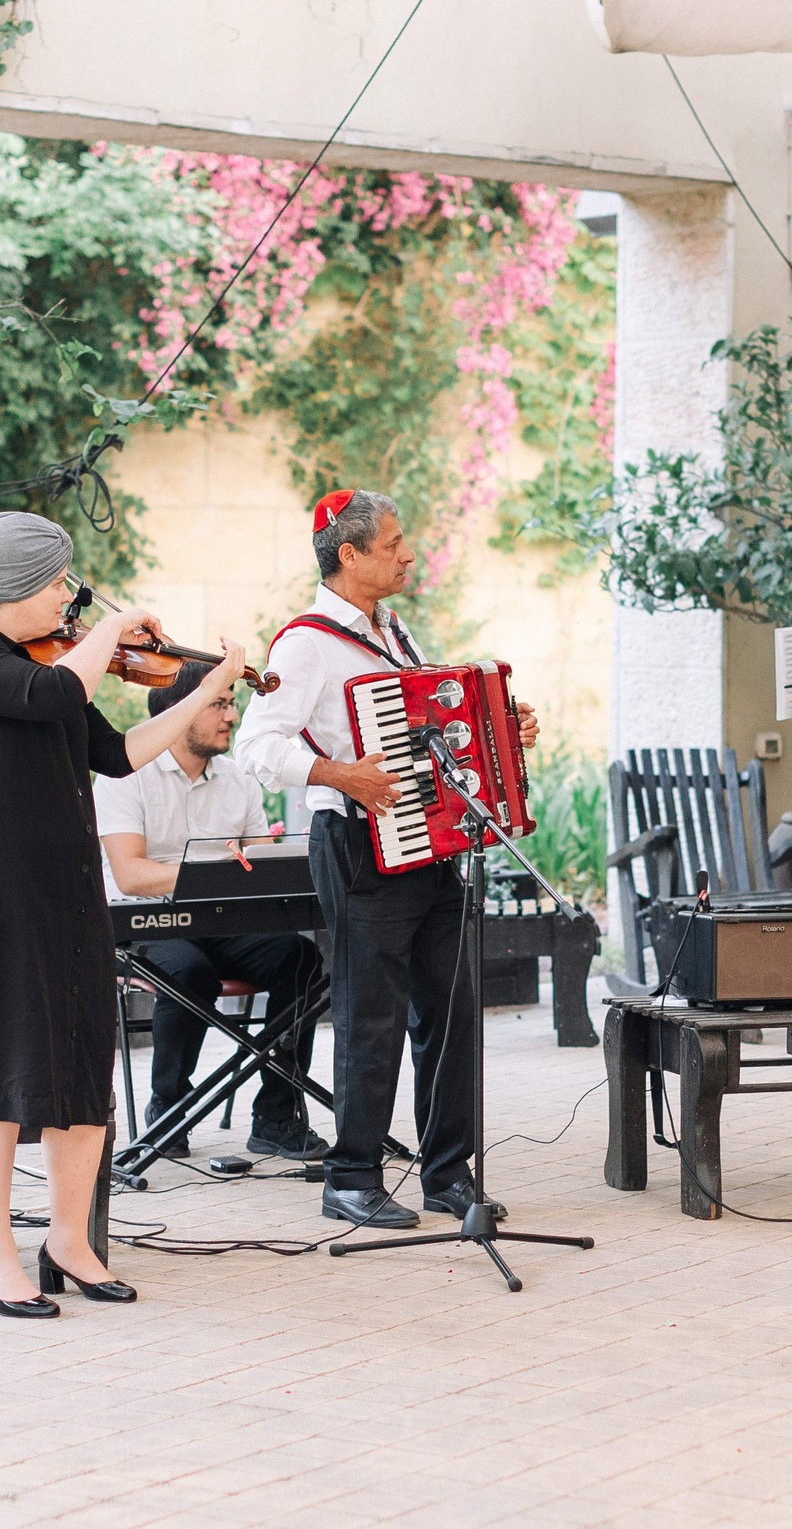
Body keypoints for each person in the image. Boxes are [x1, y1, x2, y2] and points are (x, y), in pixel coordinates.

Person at [0, 511, 247, 1316]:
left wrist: (203, 689)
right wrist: (105, 628)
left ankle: (70, 1239)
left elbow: (117, 753)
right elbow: (57, 690)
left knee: (83, 1064)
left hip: (68, 890)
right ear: (26, 585)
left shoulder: (54, 659)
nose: (69, 595)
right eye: (61, 582)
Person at [233, 489, 541, 1231]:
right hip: (358, 844)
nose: (408, 554)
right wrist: (341, 775)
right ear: (350, 553)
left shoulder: (389, 630)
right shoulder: (305, 642)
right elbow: (258, 747)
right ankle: (351, 1176)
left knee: (451, 1011)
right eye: (395, 543)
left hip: (428, 844)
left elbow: (430, 724)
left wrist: (503, 727)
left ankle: (447, 1175)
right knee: (370, 1017)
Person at [96, 658, 327, 1165]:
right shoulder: (124, 774)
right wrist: (215, 874)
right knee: (189, 973)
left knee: (301, 960)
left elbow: (253, 871)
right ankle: (169, 1106)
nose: (231, 717)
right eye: (219, 704)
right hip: (143, 923)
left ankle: (276, 1118)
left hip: (226, 923)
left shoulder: (240, 779)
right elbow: (132, 875)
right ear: (180, 711)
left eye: (231, 704)